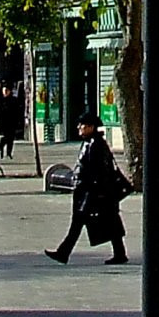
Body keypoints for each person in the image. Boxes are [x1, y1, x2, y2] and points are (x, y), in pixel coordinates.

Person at [45, 112, 130, 265]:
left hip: (92, 193)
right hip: (87, 192)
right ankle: (64, 252)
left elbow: (100, 171)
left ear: (91, 127)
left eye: (82, 125)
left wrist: (95, 192)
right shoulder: (90, 142)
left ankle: (64, 252)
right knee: (105, 221)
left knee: (94, 221)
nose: (79, 127)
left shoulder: (96, 145)